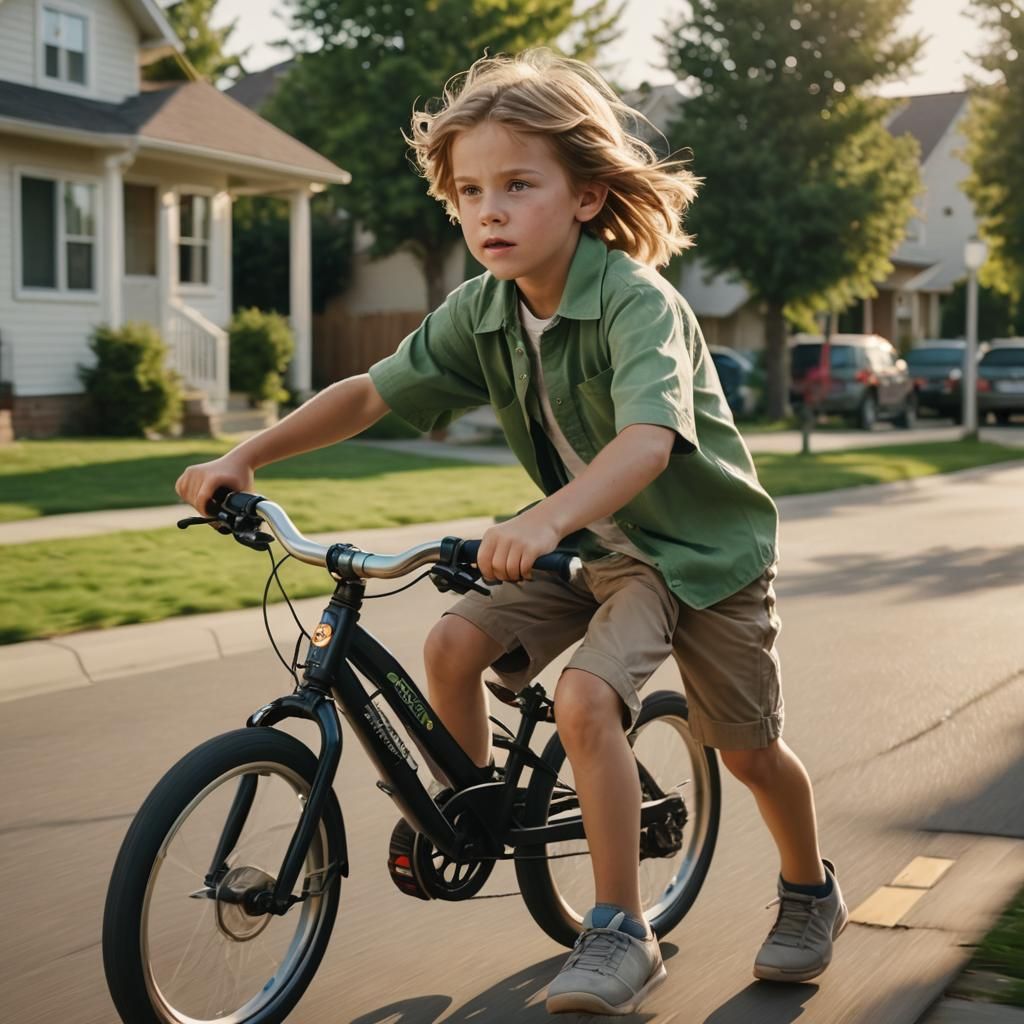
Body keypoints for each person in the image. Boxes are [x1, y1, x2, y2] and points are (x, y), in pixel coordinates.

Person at [176, 49, 847, 1017]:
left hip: (694, 558)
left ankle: (690, 913)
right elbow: (370, 390)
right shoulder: (482, 309)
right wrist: (248, 456)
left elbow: (648, 443)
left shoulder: (633, 301)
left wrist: (538, 518)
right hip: (586, 550)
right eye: (469, 190)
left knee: (702, 738)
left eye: (518, 185)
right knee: (450, 640)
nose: (488, 210)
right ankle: (473, 814)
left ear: (584, 196)